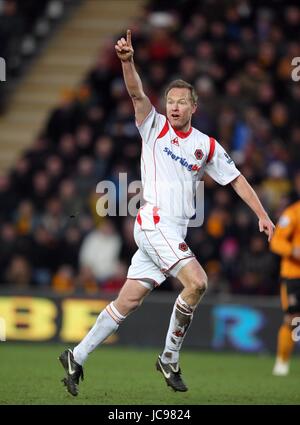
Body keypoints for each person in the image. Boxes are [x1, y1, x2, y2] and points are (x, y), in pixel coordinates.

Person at [59, 30, 274, 396]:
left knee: (127, 301)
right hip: (153, 222)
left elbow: (236, 180)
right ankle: (169, 358)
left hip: (173, 232)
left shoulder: (206, 145)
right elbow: (136, 93)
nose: (173, 106)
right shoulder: (154, 126)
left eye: (181, 102)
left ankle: (75, 356)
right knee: (198, 282)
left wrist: (263, 214)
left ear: (194, 107)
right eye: (170, 101)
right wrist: (128, 62)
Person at [270, 200, 300, 376]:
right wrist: (293, 251)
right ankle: (282, 361)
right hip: (294, 275)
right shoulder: (293, 212)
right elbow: (276, 241)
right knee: (292, 318)